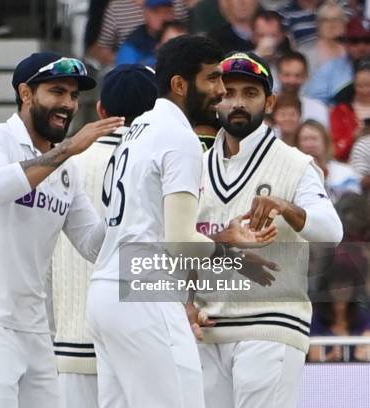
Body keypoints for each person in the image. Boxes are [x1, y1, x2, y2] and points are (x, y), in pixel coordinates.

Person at [86, 35, 276, 408]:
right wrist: (236, 257)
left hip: (107, 293)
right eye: (211, 79)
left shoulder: (139, 129)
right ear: (179, 84)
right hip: (144, 296)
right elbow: (179, 242)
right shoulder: (180, 138)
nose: (221, 91)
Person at [0, 52, 124, 407]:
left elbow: (92, 244)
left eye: (73, 96)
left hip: (35, 325)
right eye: (57, 92)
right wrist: (68, 150)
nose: (68, 105)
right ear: (26, 93)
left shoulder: (66, 169)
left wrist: (127, 206)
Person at [193, 51, 343, 408]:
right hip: (206, 327)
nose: (238, 102)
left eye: (250, 92)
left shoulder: (296, 164)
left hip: (270, 325)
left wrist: (286, 206)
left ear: (270, 101)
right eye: (229, 92)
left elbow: (332, 232)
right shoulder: (194, 164)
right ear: (215, 99)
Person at [51, 64, 158, 408]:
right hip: (142, 342)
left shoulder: (64, 164)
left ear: (100, 109)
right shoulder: (163, 161)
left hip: (70, 342)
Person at [305, 15, 370, 105]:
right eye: (354, 41)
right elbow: (314, 102)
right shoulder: (329, 69)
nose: (361, 47)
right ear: (345, 43)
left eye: (367, 40)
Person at [294, 119, 361, 202]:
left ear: (325, 142)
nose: (309, 144)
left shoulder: (345, 173)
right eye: (305, 139)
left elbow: (354, 203)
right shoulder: (292, 175)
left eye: (314, 138)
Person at [276, 51, 330, 127]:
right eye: (287, 75)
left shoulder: (318, 109)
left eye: (297, 75)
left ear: (306, 77)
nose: (292, 80)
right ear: (278, 75)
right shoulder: (266, 107)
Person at [115, 0, 175, 66]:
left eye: (167, 12)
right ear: (145, 14)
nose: (162, 17)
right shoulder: (132, 45)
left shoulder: (181, 34)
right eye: (156, 12)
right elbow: (125, 74)